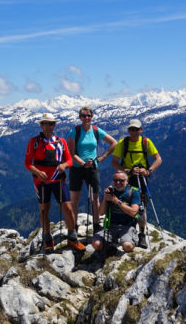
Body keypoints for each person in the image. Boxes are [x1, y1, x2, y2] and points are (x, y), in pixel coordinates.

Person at [25, 113, 85, 253]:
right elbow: (27, 163)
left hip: (58, 179)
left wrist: (64, 166)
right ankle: (47, 240)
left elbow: (69, 160)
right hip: (41, 181)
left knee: (68, 209)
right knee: (44, 210)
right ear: (41, 125)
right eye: (45, 123)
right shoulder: (34, 142)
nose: (48, 126)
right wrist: (37, 172)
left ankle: (72, 238)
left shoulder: (60, 142)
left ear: (54, 125)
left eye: (50, 124)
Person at [111, 119, 162, 248]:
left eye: (136, 129)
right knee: (125, 205)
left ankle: (141, 234)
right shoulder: (123, 143)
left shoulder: (146, 142)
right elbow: (114, 162)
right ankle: (129, 231)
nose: (133, 132)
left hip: (142, 178)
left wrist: (148, 170)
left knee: (142, 207)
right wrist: (126, 170)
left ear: (141, 130)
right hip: (126, 179)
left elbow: (158, 159)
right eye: (131, 129)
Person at [67, 106, 117, 233]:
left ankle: (96, 225)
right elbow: (71, 153)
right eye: (84, 116)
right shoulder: (75, 131)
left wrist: (103, 157)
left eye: (89, 115)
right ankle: (74, 227)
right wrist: (84, 163)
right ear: (80, 117)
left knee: (95, 198)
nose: (86, 118)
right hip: (77, 168)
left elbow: (114, 143)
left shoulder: (96, 130)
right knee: (75, 199)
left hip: (93, 168)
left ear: (92, 116)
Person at [92, 171, 141, 253]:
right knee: (96, 244)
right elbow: (101, 213)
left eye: (121, 180)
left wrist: (116, 201)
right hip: (110, 226)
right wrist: (105, 198)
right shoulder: (110, 192)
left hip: (127, 227)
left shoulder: (133, 193)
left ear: (127, 181)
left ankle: (130, 239)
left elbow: (133, 212)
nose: (118, 183)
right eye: (115, 180)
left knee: (127, 246)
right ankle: (111, 246)